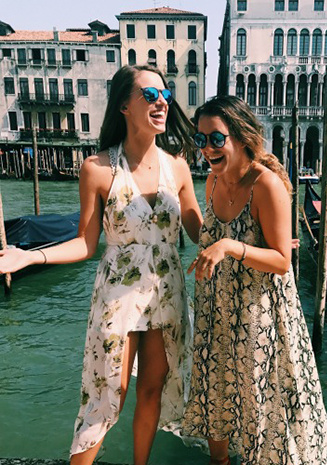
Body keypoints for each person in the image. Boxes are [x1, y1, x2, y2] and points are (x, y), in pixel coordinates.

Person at [0, 64, 203, 465]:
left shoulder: (177, 167)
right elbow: (85, 243)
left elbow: (200, 230)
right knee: (109, 392)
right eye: (149, 95)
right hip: (119, 293)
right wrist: (30, 256)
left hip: (168, 290)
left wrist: (254, 234)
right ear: (124, 106)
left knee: (152, 390)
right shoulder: (97, 168)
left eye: (165, 95)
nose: (161, 102)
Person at [182, 95, 327, 465]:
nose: (207, 149)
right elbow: (212, 233)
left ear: (241, 136)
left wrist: (230, 246)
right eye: (200, 140)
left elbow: (282, 261)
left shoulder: (266, 185)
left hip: (259, 317)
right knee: (215, 394)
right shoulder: (212, 184)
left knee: (259, 408)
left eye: (216, 139)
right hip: (217, 312)